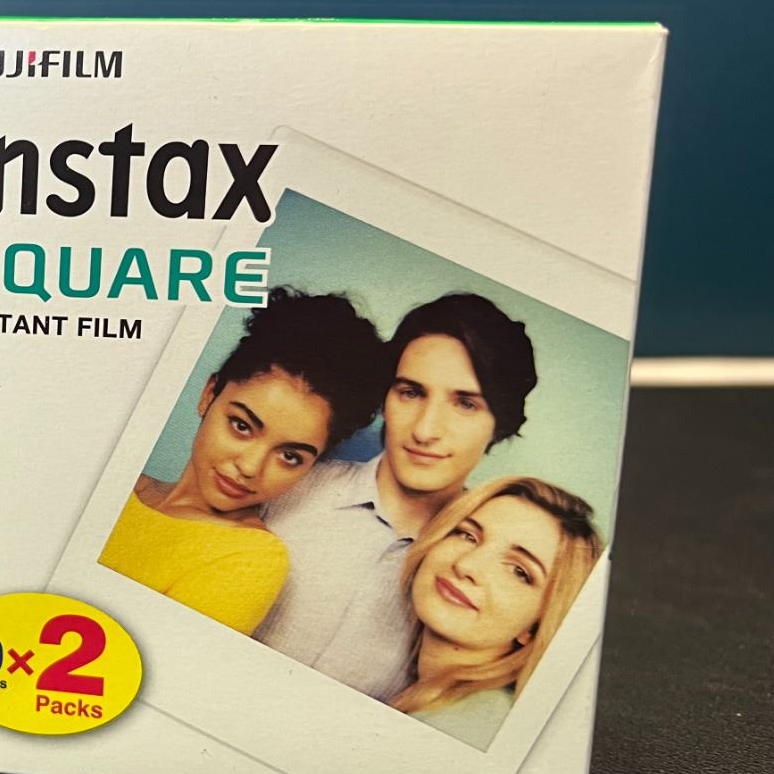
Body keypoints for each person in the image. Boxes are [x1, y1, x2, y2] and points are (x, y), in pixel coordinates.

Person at [255, 292, 539, 700]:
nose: (425, 429)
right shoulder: (287, 485)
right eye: (411, 392)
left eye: (465, 403)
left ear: (500, 424)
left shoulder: (476, 577)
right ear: (386, 397)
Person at [98, 288, 385, 634]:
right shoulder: (109, 483)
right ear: (209, 395)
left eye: (290, 456)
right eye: (242, 425)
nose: (250, 467)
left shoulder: (251, 559)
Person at [389, 476, 601, 750]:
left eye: (519, 571)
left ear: (537, 626)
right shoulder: (437, 699)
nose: (467, 565)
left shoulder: (471, 728)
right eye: (468, 536)